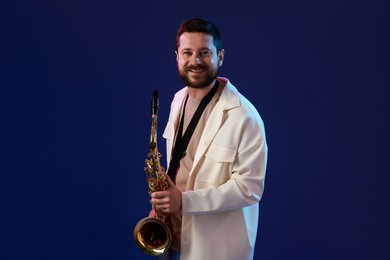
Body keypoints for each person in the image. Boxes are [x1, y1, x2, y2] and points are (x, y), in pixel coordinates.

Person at [150, 18, 268, 260]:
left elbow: (249, 188)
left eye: (204, 52)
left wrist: (183, 201)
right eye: (188, 53)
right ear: (177, 57)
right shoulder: (177, 101)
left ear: (220, 56)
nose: (195, 61)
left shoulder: (244, 116)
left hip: (215, 250)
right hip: (174, 241)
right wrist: (163, 206)